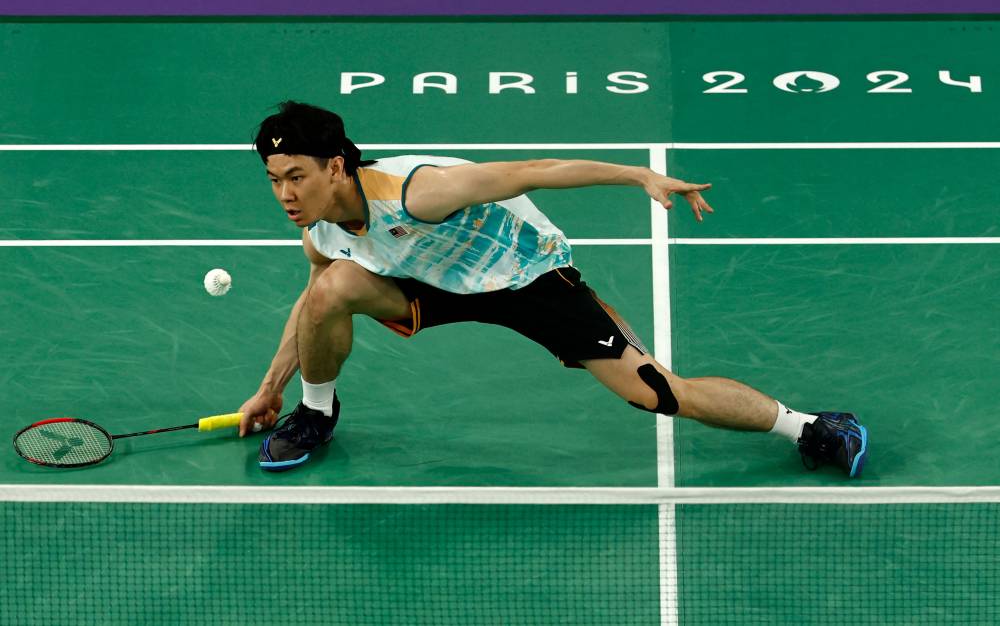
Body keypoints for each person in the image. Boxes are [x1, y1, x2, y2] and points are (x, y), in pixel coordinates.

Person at [238, 101, 869, 477]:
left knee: (656, 392)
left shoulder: (417, 192)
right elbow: (313, 308)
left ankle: (810, 426)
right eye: (273, 179)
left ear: (336, 166)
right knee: (330, 288)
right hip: (432, 285)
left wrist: (638, 176)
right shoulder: (322, 232)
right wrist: (270, 389)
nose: (285, 194)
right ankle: (316, 413)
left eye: (296, 176)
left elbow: (531, 171)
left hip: (528, 279)